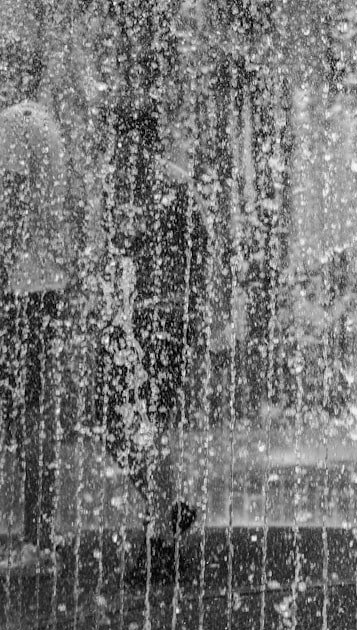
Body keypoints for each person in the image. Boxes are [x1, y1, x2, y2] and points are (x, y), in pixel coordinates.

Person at [96, 102, 207, 584]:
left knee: (153, 426)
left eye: (129, 144)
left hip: (166, 321)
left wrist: (196, 316)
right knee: (108, 422)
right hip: (128, 322)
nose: (123, 153)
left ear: (148, 143)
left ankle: (161, 539)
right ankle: (167, 505)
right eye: (119, 146)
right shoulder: (116, 186)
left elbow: (202, 250)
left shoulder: (177, 185)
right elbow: (107, 254)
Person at [0, 37, 69, 572]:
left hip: (20, 285)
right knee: (34, 411)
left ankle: (35, 541)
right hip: (46, 283)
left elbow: (16, 204)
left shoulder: (14, 123)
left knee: (27, 414)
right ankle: (37, 534)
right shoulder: (47, 123)